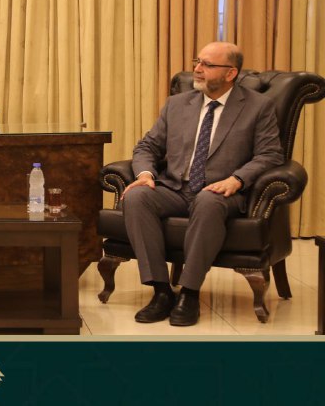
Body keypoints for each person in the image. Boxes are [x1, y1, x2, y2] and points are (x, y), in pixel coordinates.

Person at [122, 41, 284, 326]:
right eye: (197, 62)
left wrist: (237, 179)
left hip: (221, 191)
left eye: (207, 64)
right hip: (175, 188)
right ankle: (161, 291)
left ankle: (189, 293)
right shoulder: (177, 104)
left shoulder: (258, 106)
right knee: (137, 197)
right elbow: (147, 146)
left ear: (231, 73)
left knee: (207, 201)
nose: (197, 69)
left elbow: (270, 155)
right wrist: (145, 175)